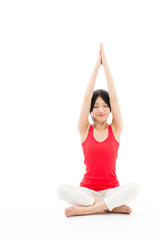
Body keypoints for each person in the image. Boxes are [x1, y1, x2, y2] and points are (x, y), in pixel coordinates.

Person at [57, 43, 141, 217]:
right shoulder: (84, 129)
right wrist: (97, 66)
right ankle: (110, 207)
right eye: (96, 106)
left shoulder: (116, 129)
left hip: (112, 190)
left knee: (136, 188)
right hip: (87, 191)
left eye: (105, 105)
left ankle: (89, 210)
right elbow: (87, 96)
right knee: (61, 189)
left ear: (110, 109)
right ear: (91, 110)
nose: (101, 109)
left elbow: (115, 97)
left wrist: (106, 65)